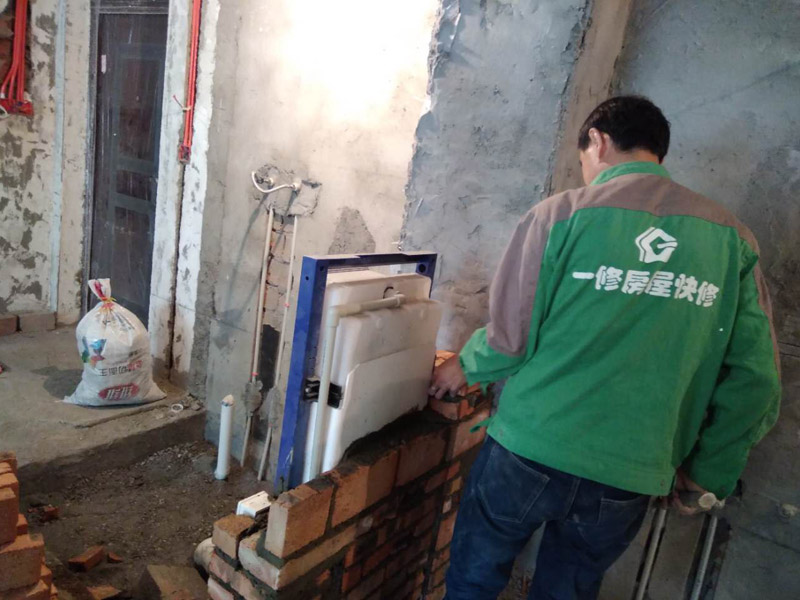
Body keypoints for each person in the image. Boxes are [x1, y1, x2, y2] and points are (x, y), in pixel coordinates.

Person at [430, 96, 781, 600]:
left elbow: (510, 338)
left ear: (597, 140)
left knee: (473, 581)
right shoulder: (733, 241)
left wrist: (463, 367)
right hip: (631, 472)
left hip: (530, 447)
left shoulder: (560, 215)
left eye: (583, 159)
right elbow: (756, 381)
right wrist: (707, 475)